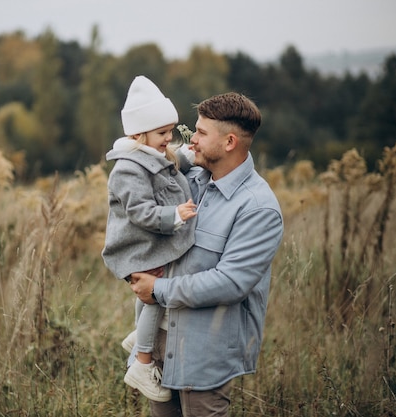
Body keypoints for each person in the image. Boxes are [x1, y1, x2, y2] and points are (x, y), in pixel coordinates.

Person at [129, 92, 284, 416]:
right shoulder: (187, 179)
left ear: (229, 142)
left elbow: (230, 282)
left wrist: (157, 291)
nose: (191, 140)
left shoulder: (258, 208)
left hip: (204, 354)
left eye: (200, 133)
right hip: (160, 346)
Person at [102, 75, 197, 402]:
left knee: (152, 293)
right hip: (136, 246)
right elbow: (141, 211)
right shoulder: (127, 169)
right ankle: (142, 362)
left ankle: (138, 335)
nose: (167, 139)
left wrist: (193, 154)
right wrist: (175, 215)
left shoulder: (153, 152)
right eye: (161, 134)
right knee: (156, 293)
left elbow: (172, 161)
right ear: (138, 134)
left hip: (147, 244)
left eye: (170, 132)